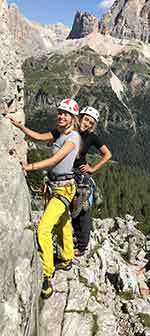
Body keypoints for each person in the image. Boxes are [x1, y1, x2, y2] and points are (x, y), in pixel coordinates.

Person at [7, 98, 81, 299]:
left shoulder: (73, 138)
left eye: (65, 114)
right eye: (59, 112)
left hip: (64, 189)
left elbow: (54, 160)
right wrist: (20, 126)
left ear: (72, 118)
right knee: (64, 223)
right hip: (58, 185)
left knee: (44, 229)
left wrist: (28, 167)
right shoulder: (58, 133)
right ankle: (66, 257)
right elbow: (40, 136)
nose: (61, 116)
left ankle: (48, 275)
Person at [72, 106, 111, 256]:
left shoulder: (92, 137)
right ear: (80, 117)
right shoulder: (70, 130)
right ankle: (74, 240)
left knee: (82, 211)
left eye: (91, 122)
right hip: (66, 173)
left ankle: (82, 246)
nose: (87, 123)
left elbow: (107, 154)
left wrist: (93, 168)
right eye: (86, 119)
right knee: (72, 209)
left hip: (79, 176)